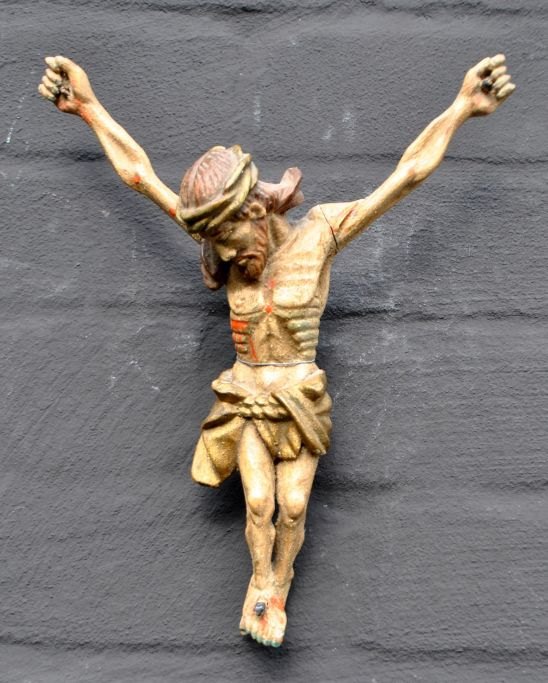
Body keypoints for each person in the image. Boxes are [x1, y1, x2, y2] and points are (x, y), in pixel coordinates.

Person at [38, 54, 515, 647]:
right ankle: (261, 585)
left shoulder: (322, 234)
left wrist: (462, 107)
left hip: (299, 399)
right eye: (214, 242)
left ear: (256, 210)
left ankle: (280, 581)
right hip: (245, 396)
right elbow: (140, 176)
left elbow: (407, 176)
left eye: (229, 238)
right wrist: (88, 109)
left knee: (291, 505)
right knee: (259, 501)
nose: (225, 255)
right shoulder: (220, 237)